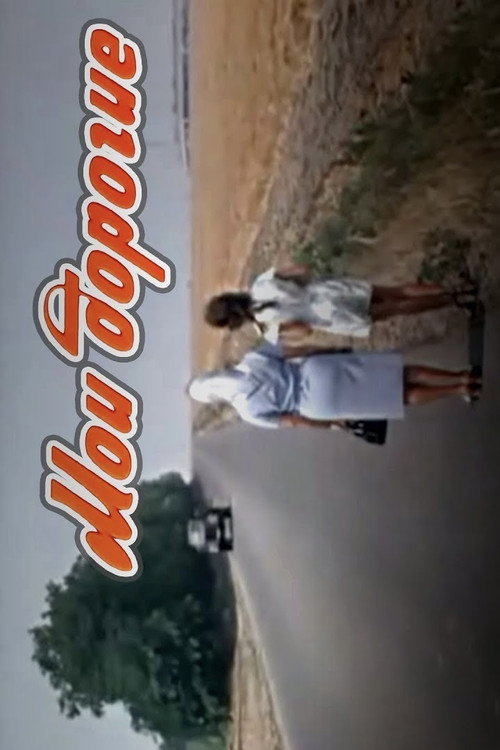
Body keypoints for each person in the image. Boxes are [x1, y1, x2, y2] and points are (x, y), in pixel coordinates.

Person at [188, 342, 482, 430]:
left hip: (317, 404)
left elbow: (293, 421)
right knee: (399, 372)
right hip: (316, 371)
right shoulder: (252, 360)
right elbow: (298, 350)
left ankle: (457, 391)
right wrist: (330, 350)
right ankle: (460, 376)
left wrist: (329, 424)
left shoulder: (248, 411)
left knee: (398, 397)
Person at [203, 264, 477, 343]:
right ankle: (456, 288)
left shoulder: (266, 328)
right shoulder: (261, 283)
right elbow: (301, 269)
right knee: (395, 291)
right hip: (327, 291)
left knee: (396, 310)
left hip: (329, 316)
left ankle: (453, 300)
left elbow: (304, 330)